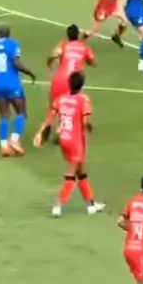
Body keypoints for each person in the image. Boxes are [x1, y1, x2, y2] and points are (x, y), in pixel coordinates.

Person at [51, 71, 104, 217]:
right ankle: (58, 205)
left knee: (81, 172)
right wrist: (90, 128)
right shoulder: (83, 100)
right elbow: (86, 121)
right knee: (72, 173)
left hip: (63, 138)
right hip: (76, 141)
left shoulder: (62, 98)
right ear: (82, 85)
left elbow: (55, 115)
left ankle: (91, 205)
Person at [33, 24, 95, 148]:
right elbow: (92, 61)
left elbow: (52, 55)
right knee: (73, 105)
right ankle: (62, 130)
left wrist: (50, 64)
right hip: (74, 80)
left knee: (53, 106)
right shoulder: (83, 47)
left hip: (59, 79)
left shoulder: (63, 45)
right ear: (78, 34)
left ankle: (42, 131)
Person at [0, 24, 36, 156]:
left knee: (4, 115)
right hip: (13, 84)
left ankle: (4, 145)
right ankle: (15, 139)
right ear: (9, 33)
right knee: (21, 112)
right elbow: (16, 63)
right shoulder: (13, 44)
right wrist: (29, 73)